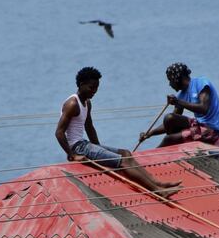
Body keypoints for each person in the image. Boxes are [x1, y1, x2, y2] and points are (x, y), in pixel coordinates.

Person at [55, 67, 181, 198]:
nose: (94, 91)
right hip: (78, 148)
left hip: (85, 144)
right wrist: (72, 155)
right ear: (81, 85)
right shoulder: (72, 104)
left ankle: (158, 183)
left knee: (126, 153)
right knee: (122, 162)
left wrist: (98, 146)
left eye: (96, 88)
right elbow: (59, 132)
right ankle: (157, 191)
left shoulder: (87, 103)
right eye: (91, 87)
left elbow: (89, 127)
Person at [140, 62, 219, 147]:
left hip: (210, 131)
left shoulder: (201, 83)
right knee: (170, 118)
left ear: (179, 78)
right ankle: (177, 142)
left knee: (168, 139)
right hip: (198, 126)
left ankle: (158, 155)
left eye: (170, 80)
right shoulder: (182, 95)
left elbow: (203, 109)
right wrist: (150, 133)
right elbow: (170, 121)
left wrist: (178, 101)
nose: (170, 84)